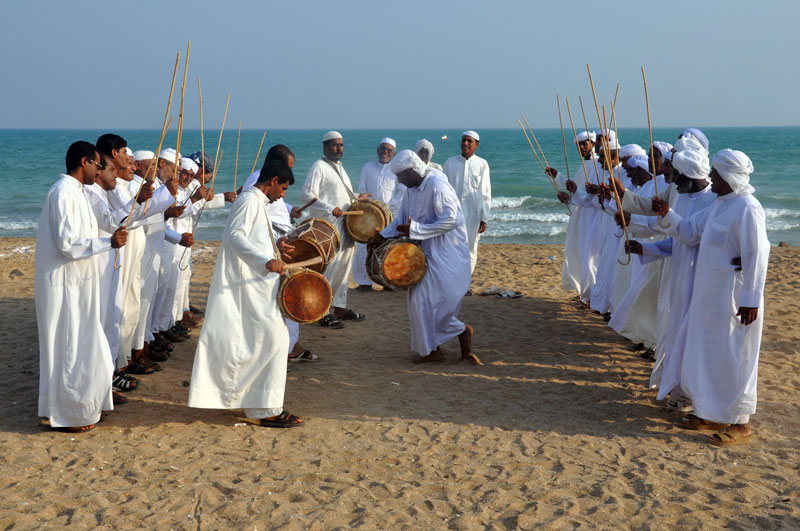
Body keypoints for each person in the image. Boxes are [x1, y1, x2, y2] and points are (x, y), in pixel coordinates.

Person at [660, 150, 770, 446]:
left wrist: (751, 299)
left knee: (735, 357)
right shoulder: (719, 205)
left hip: (735, 301)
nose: (711, 179)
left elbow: (757, 254)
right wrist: (665, 213)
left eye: (717, 175)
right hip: (708, 298)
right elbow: (689, 232)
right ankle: (711, 413)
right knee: (709, 355)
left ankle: (741, 423)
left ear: (730, 177)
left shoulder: (747, 207)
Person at [188, 159, 303, 428]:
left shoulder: (257, 201)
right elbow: (236, 237)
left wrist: (276, 246)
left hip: (258, 286)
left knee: (268, 343)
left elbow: (253, 238)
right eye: (283, 188)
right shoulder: (249, 200)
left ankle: (262, 405)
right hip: (248, 286)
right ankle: (265, 409)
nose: (283, 195)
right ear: (273, 181)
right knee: (274, 340)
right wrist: (265, 261)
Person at [35, 141, 128, 432]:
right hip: (64, 284)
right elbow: (67, 243)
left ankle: (81, 406)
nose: (100, 171)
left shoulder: (78, 193)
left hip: (79, 282)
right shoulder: (62, 193)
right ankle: (69, 414)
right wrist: (108, 242)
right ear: (85, 162)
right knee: (68, 345)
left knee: (86, 343)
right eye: (99, 165)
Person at [373, 150, 479, 365]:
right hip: (423, 254)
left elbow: (453, 220)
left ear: (412, 171)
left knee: (435, 302)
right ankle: (434, 349)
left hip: (447, 253)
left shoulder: (438, 186)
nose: (399, 181)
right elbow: (401, 220)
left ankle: (459, 332)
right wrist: (380, 236)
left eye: (401, 176)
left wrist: (417, 230)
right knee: (419, 301)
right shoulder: (411, 189)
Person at [242, 145, 314, 361]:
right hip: (273, 247)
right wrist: (274, 246)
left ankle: (291, 345)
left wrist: (289, 208)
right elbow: (250, 227)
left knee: (286, 296)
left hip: (277, 243)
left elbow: (274, 202)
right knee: (287, 296)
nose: (289, 176)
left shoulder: (265, 184)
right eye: (288, 169)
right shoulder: (255, 186)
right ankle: (286, 348)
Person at [300, 131, 368, 328]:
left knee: (344, 268)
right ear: (325, 147)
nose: (339, 149)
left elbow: (340, 196)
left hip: (344, 227)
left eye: (341, 145)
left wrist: (357, 197)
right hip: (327, 228)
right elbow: (306, 195)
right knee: (329, 269)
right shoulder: (318, 167)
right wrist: (330, 208)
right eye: (334, 145)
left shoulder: (339, 167)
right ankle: (320, 311)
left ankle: (339, 306)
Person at [353, 137, 404, 291]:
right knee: (364, 248)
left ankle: (388, 282)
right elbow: (362, 189)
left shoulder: (397, 170)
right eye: (383, 149)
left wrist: (386, 208)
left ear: (394, 153)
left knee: (389, 248)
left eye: (389, 150)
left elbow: (401, 193)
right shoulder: (367, 168)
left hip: (390, 216)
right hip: (369, 217)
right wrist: (371, 208)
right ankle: (364, 282)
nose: (385, 152)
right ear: (378, 150)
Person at [443, 130, 491, 277]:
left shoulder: (482, 164)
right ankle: (452, 280)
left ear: (477, 144)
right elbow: (443, 189)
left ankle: (465, 283)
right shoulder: (450, 163)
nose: (465, 143)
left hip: (474, 214)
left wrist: (485, 218)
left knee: (471, 248)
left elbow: (486, 192)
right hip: (453, 213)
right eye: (464, 140)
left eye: (469, 141)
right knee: (451, 247)